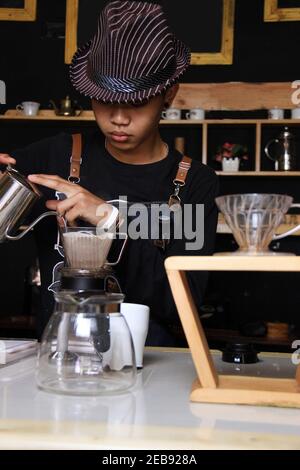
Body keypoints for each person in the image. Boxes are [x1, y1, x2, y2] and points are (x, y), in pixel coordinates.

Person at [0, 0, 219, 345]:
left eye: (135, 103)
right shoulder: (53, 156)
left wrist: (109, 218)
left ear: (168, 95)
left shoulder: (194, 183)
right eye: (104, 100)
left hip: (152, 367)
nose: (118, 118)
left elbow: (184, 303)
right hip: (60, 362)